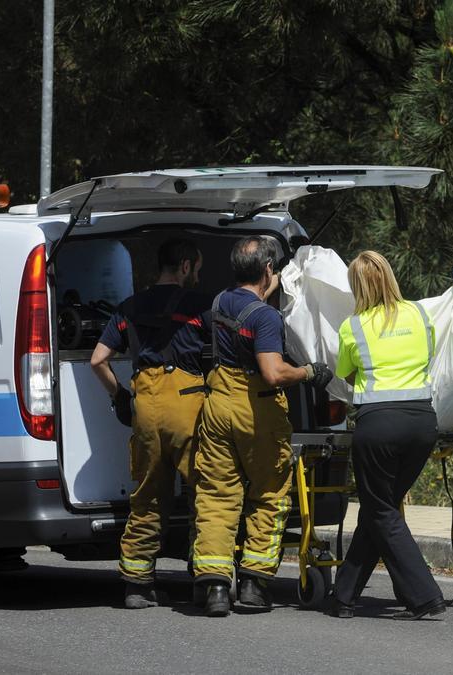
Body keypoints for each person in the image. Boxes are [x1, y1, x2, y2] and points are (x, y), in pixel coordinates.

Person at [192, 235, 333, 617]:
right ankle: (253, 584)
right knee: (269, 494)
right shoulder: (265, 316)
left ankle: (216, 589)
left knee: (218, 497)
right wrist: (308, 371)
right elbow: (272, 373)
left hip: (218, 404)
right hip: (257, 410)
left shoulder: (219, 302)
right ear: (268, 270)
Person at [89, 238, 210, 609]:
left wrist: (120, 397)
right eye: (198, 268)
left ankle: (137, 586)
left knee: (147, 497)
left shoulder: (128, 307)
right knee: (204, 495)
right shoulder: (199, 305)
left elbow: (97, 360)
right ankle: (207, 582)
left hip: (146, 405)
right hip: (187, 403)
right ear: (186, 266)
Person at [329, 251, 445, 621]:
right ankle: (343, 595)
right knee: (382, 509)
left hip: (379, 425)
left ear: (357, 286)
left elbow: (345, 374)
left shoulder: (354, 326)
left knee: (380, 509)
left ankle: (424, 594)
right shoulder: (419, 313)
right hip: (423, 422)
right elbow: (429, 357)